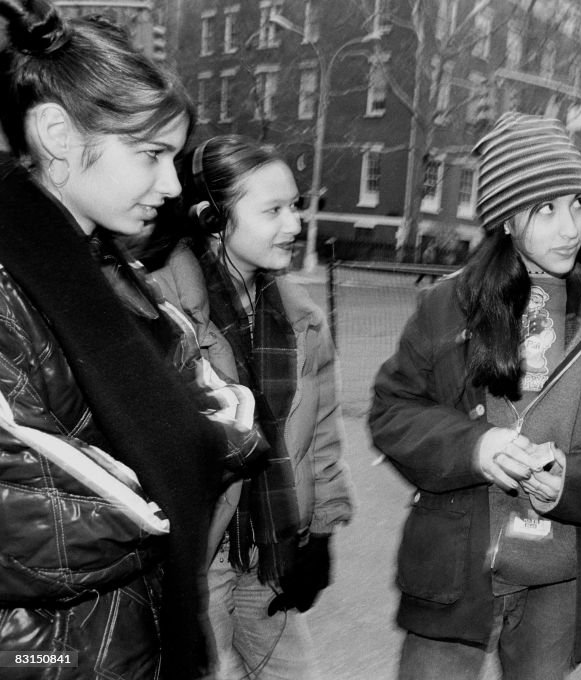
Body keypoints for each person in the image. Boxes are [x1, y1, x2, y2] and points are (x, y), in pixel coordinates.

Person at [369, 112, 581, 679]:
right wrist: (474, 448)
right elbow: (392, 412)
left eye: (578, 203)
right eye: (546, 209)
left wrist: (575, 482)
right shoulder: (448, 305)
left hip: (559, 578)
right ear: (506, 219)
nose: (571, 228)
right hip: (454, 570)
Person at [0, 1, 247, 676]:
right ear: (55, 130)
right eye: (150, 154)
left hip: (134, 637)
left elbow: (220, 408)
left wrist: (189, 450)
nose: (171, 185)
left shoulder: (109, 267)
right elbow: (29, 516)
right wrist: (189, 455)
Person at [151, 134, 354, 679]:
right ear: (212, 217)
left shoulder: (301, 317)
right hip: (202, 554)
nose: (294, 224)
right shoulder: (158, 307)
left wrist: (323, 532)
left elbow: (323, 434)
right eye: (273, 210)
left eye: (295, 206)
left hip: (271, 546)